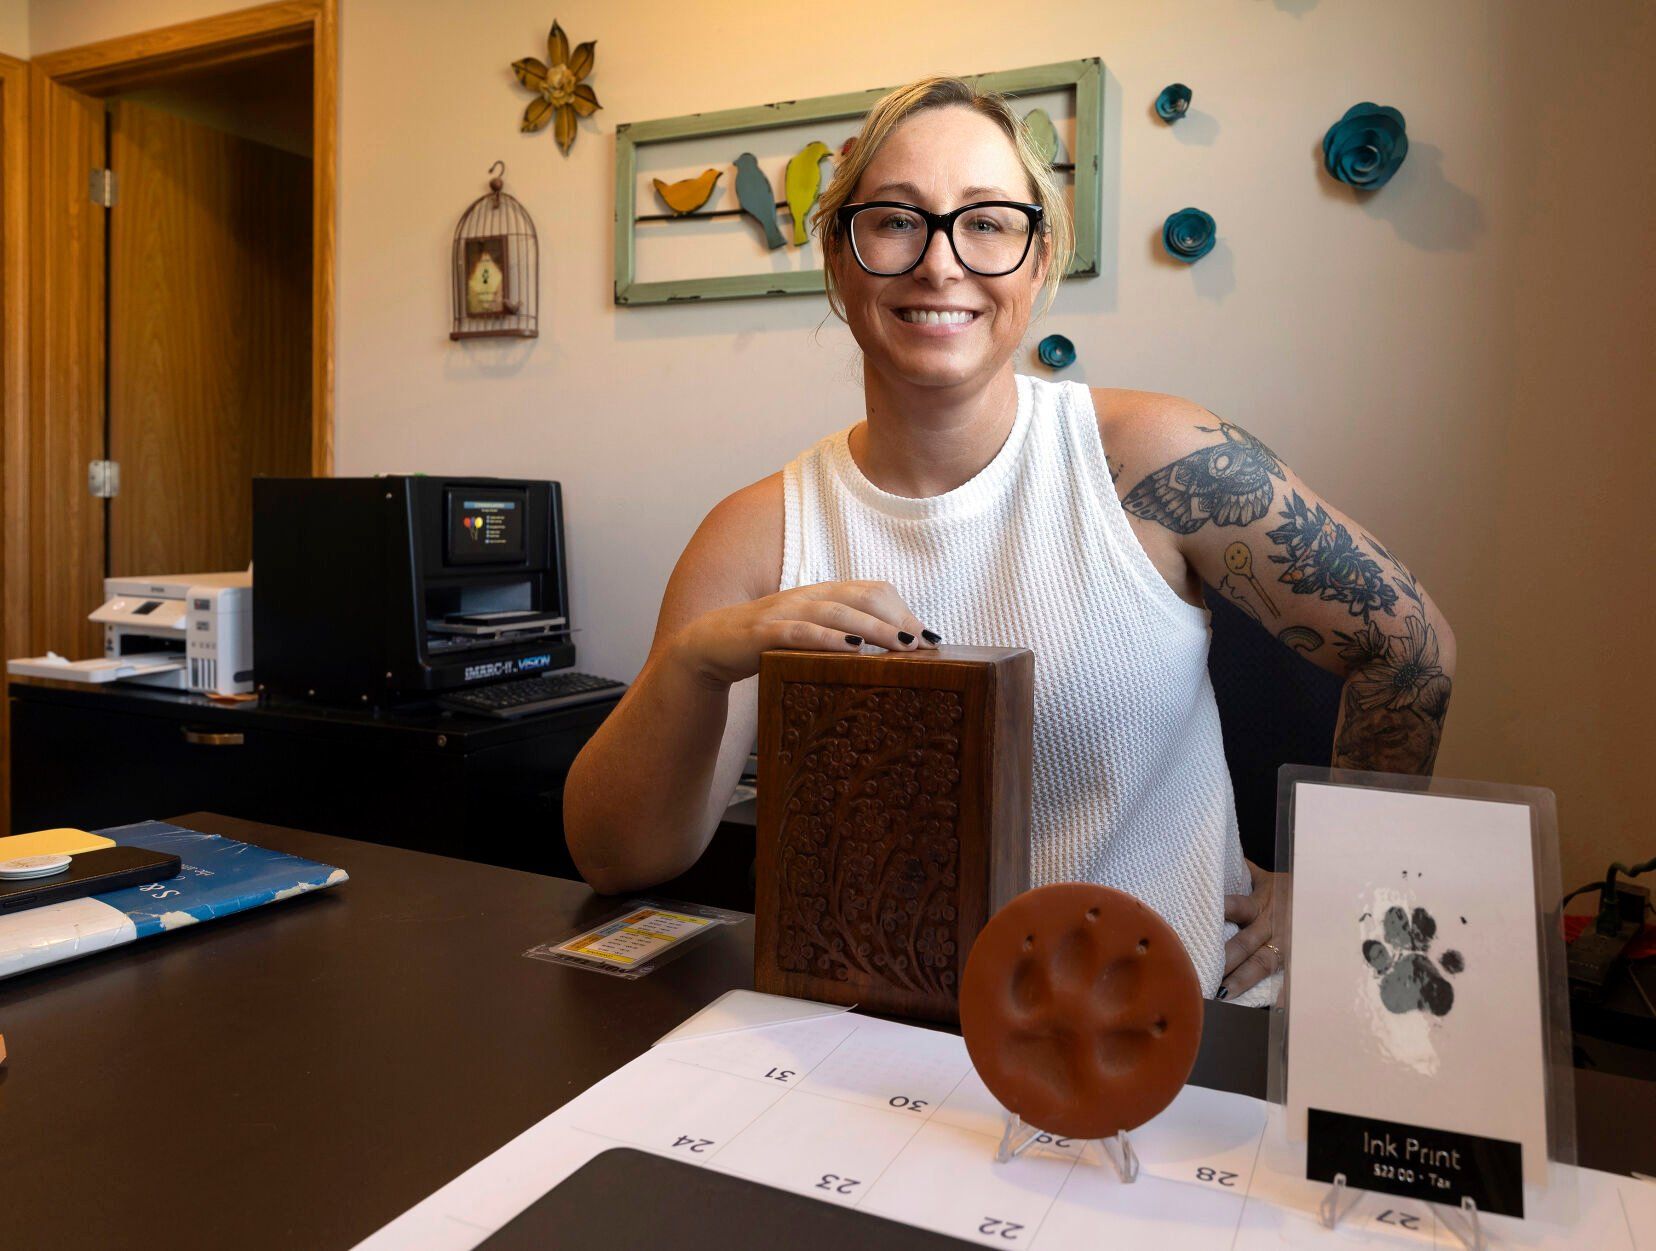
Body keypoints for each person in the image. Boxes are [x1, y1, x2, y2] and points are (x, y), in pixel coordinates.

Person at [564, 77, 1455, 1004]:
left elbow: (1411, 650)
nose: (941, 263)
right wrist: (692, 666)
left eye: (987, 222)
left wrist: (1344, 892)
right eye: (896, 220)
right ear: (839, 260)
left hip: (1157, 1050)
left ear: (1038, 261)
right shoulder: (756, 532)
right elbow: (616, 858)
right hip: (875, 1057)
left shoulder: (1157, 460)